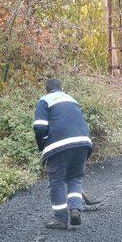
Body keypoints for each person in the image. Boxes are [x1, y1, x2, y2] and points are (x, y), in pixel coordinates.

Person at [33, 78, 93, 230]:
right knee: (74, 178)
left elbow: (40, 127)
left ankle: (60, 219)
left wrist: (42, 145)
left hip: (59, 144)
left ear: (46, 90)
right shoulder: (72, 99)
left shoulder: (44, 100)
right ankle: (75, 210)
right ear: (61, 88)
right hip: (83, 142)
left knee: (57, 181)